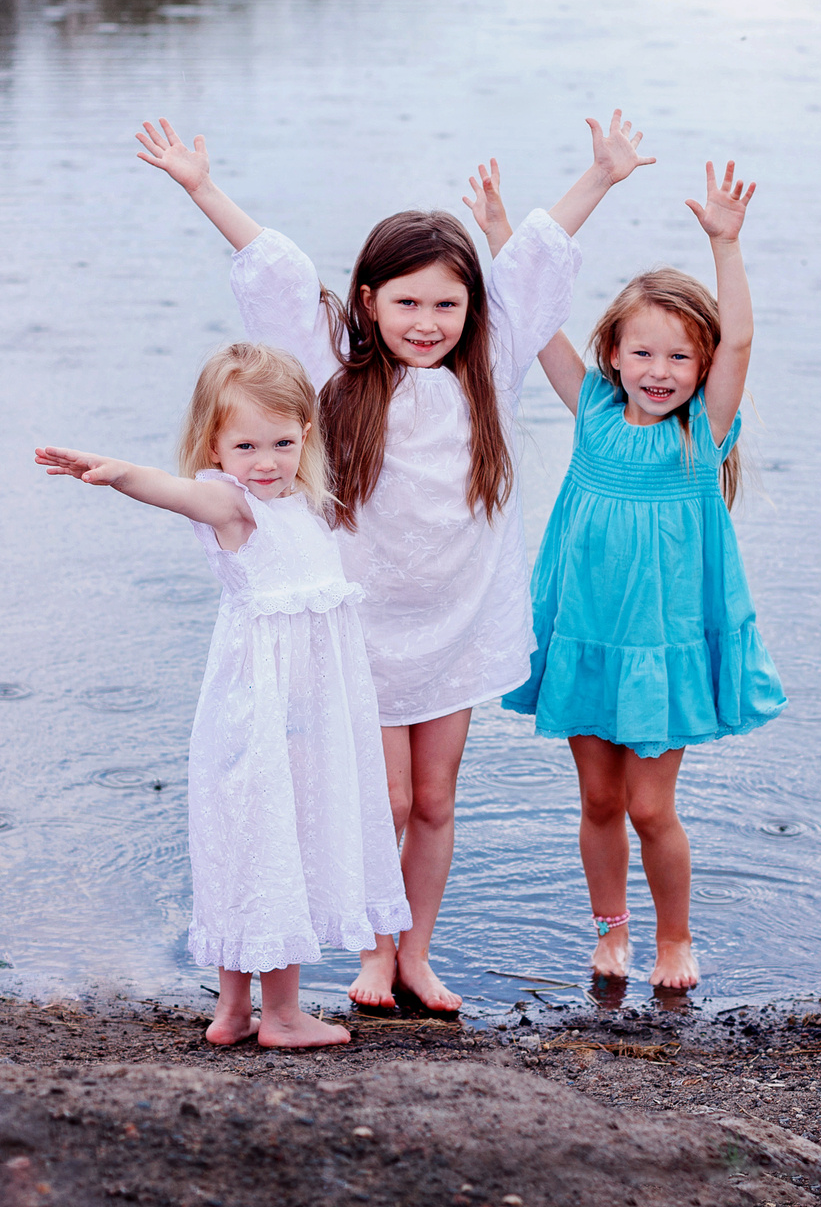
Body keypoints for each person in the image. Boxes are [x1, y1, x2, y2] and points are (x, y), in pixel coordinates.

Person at [135, 113, 650, 1017]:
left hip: (457, 616)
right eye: (406, 301)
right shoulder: (334, 369)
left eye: (446, 304)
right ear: (368, 300)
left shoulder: (489, 363)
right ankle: (375, 956)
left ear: (471, 312)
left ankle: (416, 954)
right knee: (392, 799)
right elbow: (282, 280)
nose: (427, 322)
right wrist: (203, 188)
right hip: (362, 624)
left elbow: (535, 257)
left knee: (440, 800)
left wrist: (599, 178)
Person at [35, 343, 407, 1049]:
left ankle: (235, 1014)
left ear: (305, 435)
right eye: (245, 445)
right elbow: (178, 493)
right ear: (213, 445)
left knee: (254, 844)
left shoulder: (300, 505)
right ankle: (284, 1017)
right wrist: (118, 475)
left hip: (291, 721)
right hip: (261, 721)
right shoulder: (231, 504)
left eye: (282, 442)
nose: (265, 461)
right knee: (271, 844)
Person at [488, 159, 784, 994]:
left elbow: (745, 339)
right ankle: (611, 930)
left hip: (664, 643)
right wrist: (509, 241)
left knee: (652, 807)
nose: (659, 369)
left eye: (679, 356)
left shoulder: (704, 431)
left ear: (702, 365)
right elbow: (529, 312)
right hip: (585, 633)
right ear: (612, 354)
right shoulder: (588, 406)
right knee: (598, 803)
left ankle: (676, 939)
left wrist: (725, 243)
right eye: (642, 351)